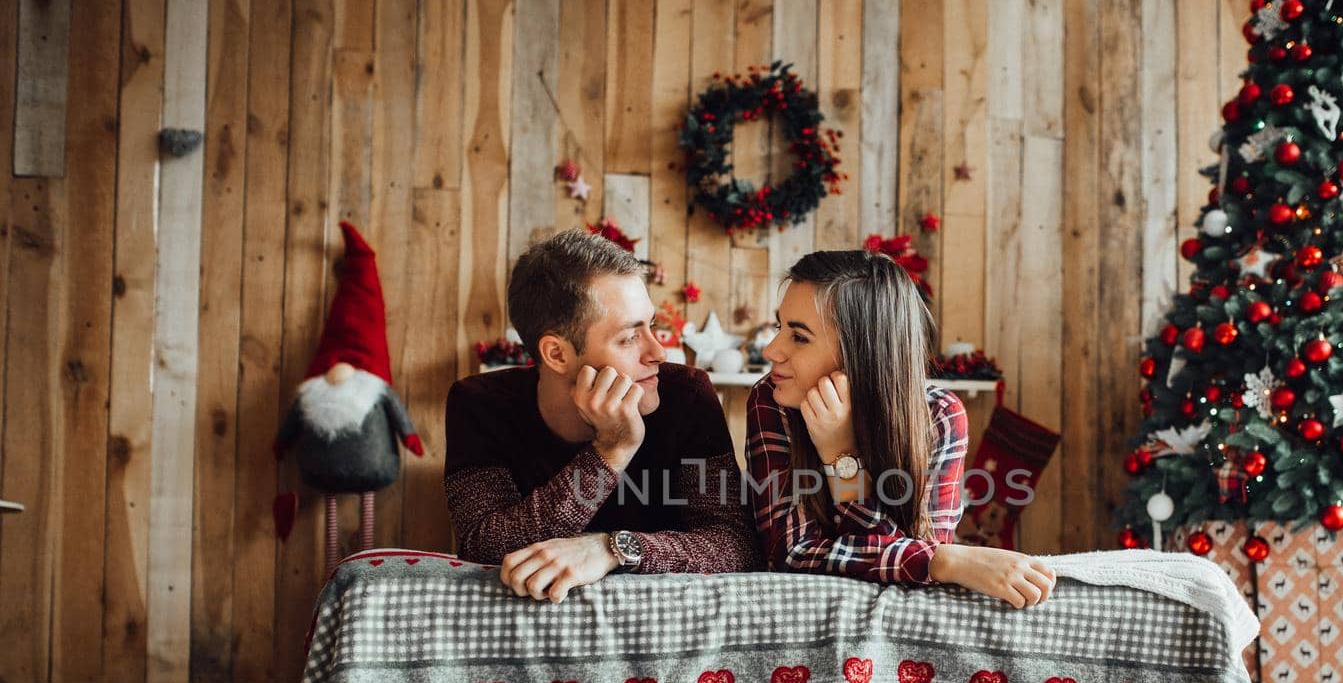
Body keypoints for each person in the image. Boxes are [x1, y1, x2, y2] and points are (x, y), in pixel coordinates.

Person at [444, 229, 762, 601]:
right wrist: (611, 452)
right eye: (629, 338)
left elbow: (735, 545)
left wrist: (612, 549)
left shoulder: (687, 395)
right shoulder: (479, 404)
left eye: (653, 326)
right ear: (557, 354)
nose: (659, 352)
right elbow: (482, 547)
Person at [746, 250, 1057, 608]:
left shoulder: (939, 414)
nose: (772, 350)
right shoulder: (772, 402)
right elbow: (794, 553)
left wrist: (840, 453)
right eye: (779, 327)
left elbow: (918, 563)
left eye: (798, 337)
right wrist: (946, 560)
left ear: (861, 350)